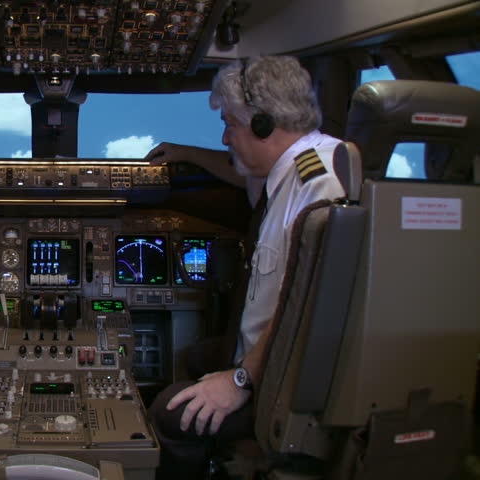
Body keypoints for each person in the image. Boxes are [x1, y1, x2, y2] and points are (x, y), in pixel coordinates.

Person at [144, 55, 346, 478]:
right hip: (260, 358)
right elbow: (240, 171)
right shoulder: (292, 168)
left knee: (169, 413)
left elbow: (303, 305)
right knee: (195, 355)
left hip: (280, 380)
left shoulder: (320, 186)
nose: (224, 137)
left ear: (263, 125)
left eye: (230, 124)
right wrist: (184, 153)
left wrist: (238, 382)